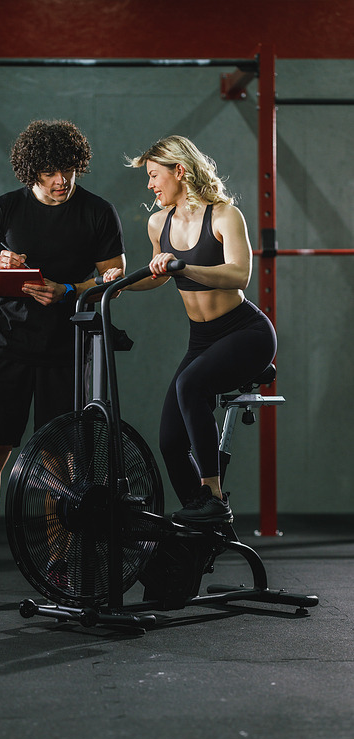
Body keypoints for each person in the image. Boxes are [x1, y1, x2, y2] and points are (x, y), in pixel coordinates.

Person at [0, 120, 126, 610]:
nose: (61, 180)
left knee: (58, 463)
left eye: (68, 169)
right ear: (32, 170)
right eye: (50, 171)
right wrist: (1, 269)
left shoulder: (96, 212)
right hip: (10, 346)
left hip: (65, 349)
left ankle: (60, 564)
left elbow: (115, 275)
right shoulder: (5, 207)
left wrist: (70, 290)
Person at [103, 135, 276, 525]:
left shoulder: (224, 214)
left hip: (246, 333)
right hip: (202, 340)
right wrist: (124, 282)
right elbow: (158, 276)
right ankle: (204, 528)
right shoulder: (157, 223)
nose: (150, 185)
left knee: (190, 386)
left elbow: (240, 274)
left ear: (179, 171)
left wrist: (183, 266)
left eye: (153, 175)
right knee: (170, 441)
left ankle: (214, 497)